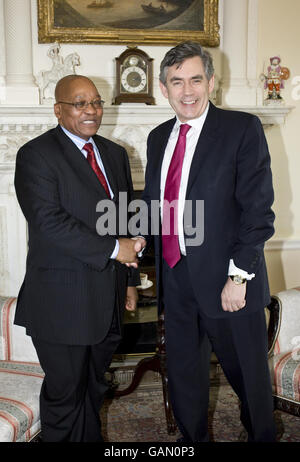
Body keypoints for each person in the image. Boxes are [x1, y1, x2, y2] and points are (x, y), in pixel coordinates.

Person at [142, 42, 276, 442]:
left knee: (247, 377)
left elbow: (258, 211)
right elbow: (157, 204)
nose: (187, 90)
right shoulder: (157, 136)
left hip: (228, 281)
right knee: (184, 374)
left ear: (211, 82)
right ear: (163, 88)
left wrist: (239, 277)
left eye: (196, 79)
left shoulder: (241, 129)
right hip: (175, 276)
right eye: (176, 81)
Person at [14, 74, 145, 442]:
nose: (91, 110)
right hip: (61, 302)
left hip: (109, 298)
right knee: (65, 396)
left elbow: (123, 218)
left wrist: (130, 281)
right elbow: (48, 223)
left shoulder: (115, 154)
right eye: (79, 103)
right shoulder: (36, 155)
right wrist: (114, 249)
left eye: (96, 102)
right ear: (59, 109)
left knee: (94, 389)